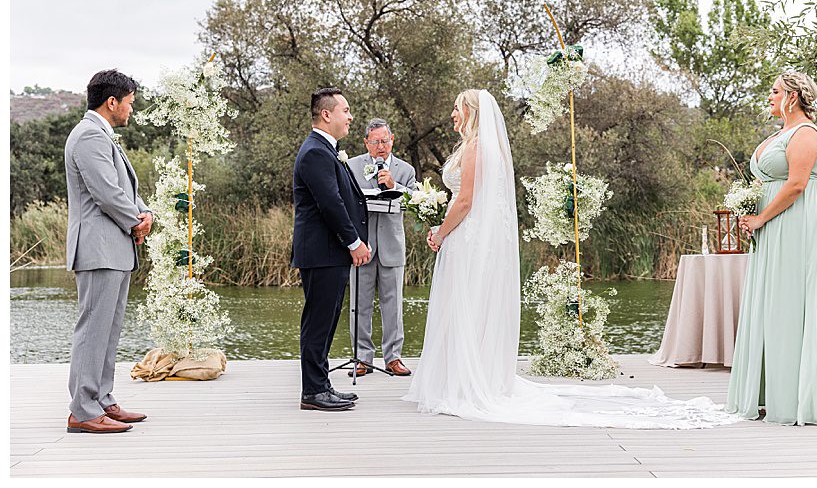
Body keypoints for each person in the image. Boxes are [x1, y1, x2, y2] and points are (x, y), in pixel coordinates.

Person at [403, 89, 739, 429]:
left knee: (466, 306)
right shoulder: (478, 146)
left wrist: (441, 232)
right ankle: (464, 376)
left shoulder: (477, 147)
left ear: (472, 111)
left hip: (467, 238)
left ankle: (465, 382)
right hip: (469, 237)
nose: (452, 116)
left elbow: (465, 201)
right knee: (467, 307)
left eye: (456, 109)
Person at [728, 70, 817, 426]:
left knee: (788, 305)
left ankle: (789, 399)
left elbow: (797, 185)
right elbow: (767, 181)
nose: (769, 97)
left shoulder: (806, 134)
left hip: (797, 223)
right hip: (772, 226)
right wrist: (747, 208)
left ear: (791, 95)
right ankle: (761, 393)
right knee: (767, 303)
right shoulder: (780, 134)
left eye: (774, 91)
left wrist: (760, 219)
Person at [64, 69, 153, 434]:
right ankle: (82, 411)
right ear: (112, 102)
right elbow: (105, 193)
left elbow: (124, 188)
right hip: (98, 247)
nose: (131, 110)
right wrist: (135, 221)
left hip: (113, 247)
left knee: (109, 328)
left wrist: (145, 212)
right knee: (93, 328)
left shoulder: (103, 136)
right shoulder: (88, 136)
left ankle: (102, 398)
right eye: (129, 103)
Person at [291, 87, 370, 411]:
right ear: (327, 114)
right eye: (345, 110)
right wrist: (354, 243)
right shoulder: (315, 152)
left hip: (328, 252)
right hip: (322, 252)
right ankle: (313, 391)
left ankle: (321, 385)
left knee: (325, 320)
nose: (350, 116)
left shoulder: (326, 150)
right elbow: (330, 204)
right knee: (318, 321)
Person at [345, 119, 417, 377]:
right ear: (366, 142)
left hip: (392, 246)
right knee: (359, 304)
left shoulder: (405, 170)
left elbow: (415, 203)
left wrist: (393, 187)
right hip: (361, 247)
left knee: (393, 305)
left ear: (392, 139)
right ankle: (362, 358)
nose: (380, 147)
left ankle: (393, 358)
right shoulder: (351, 166)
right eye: (374, 142)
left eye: (384, 141)